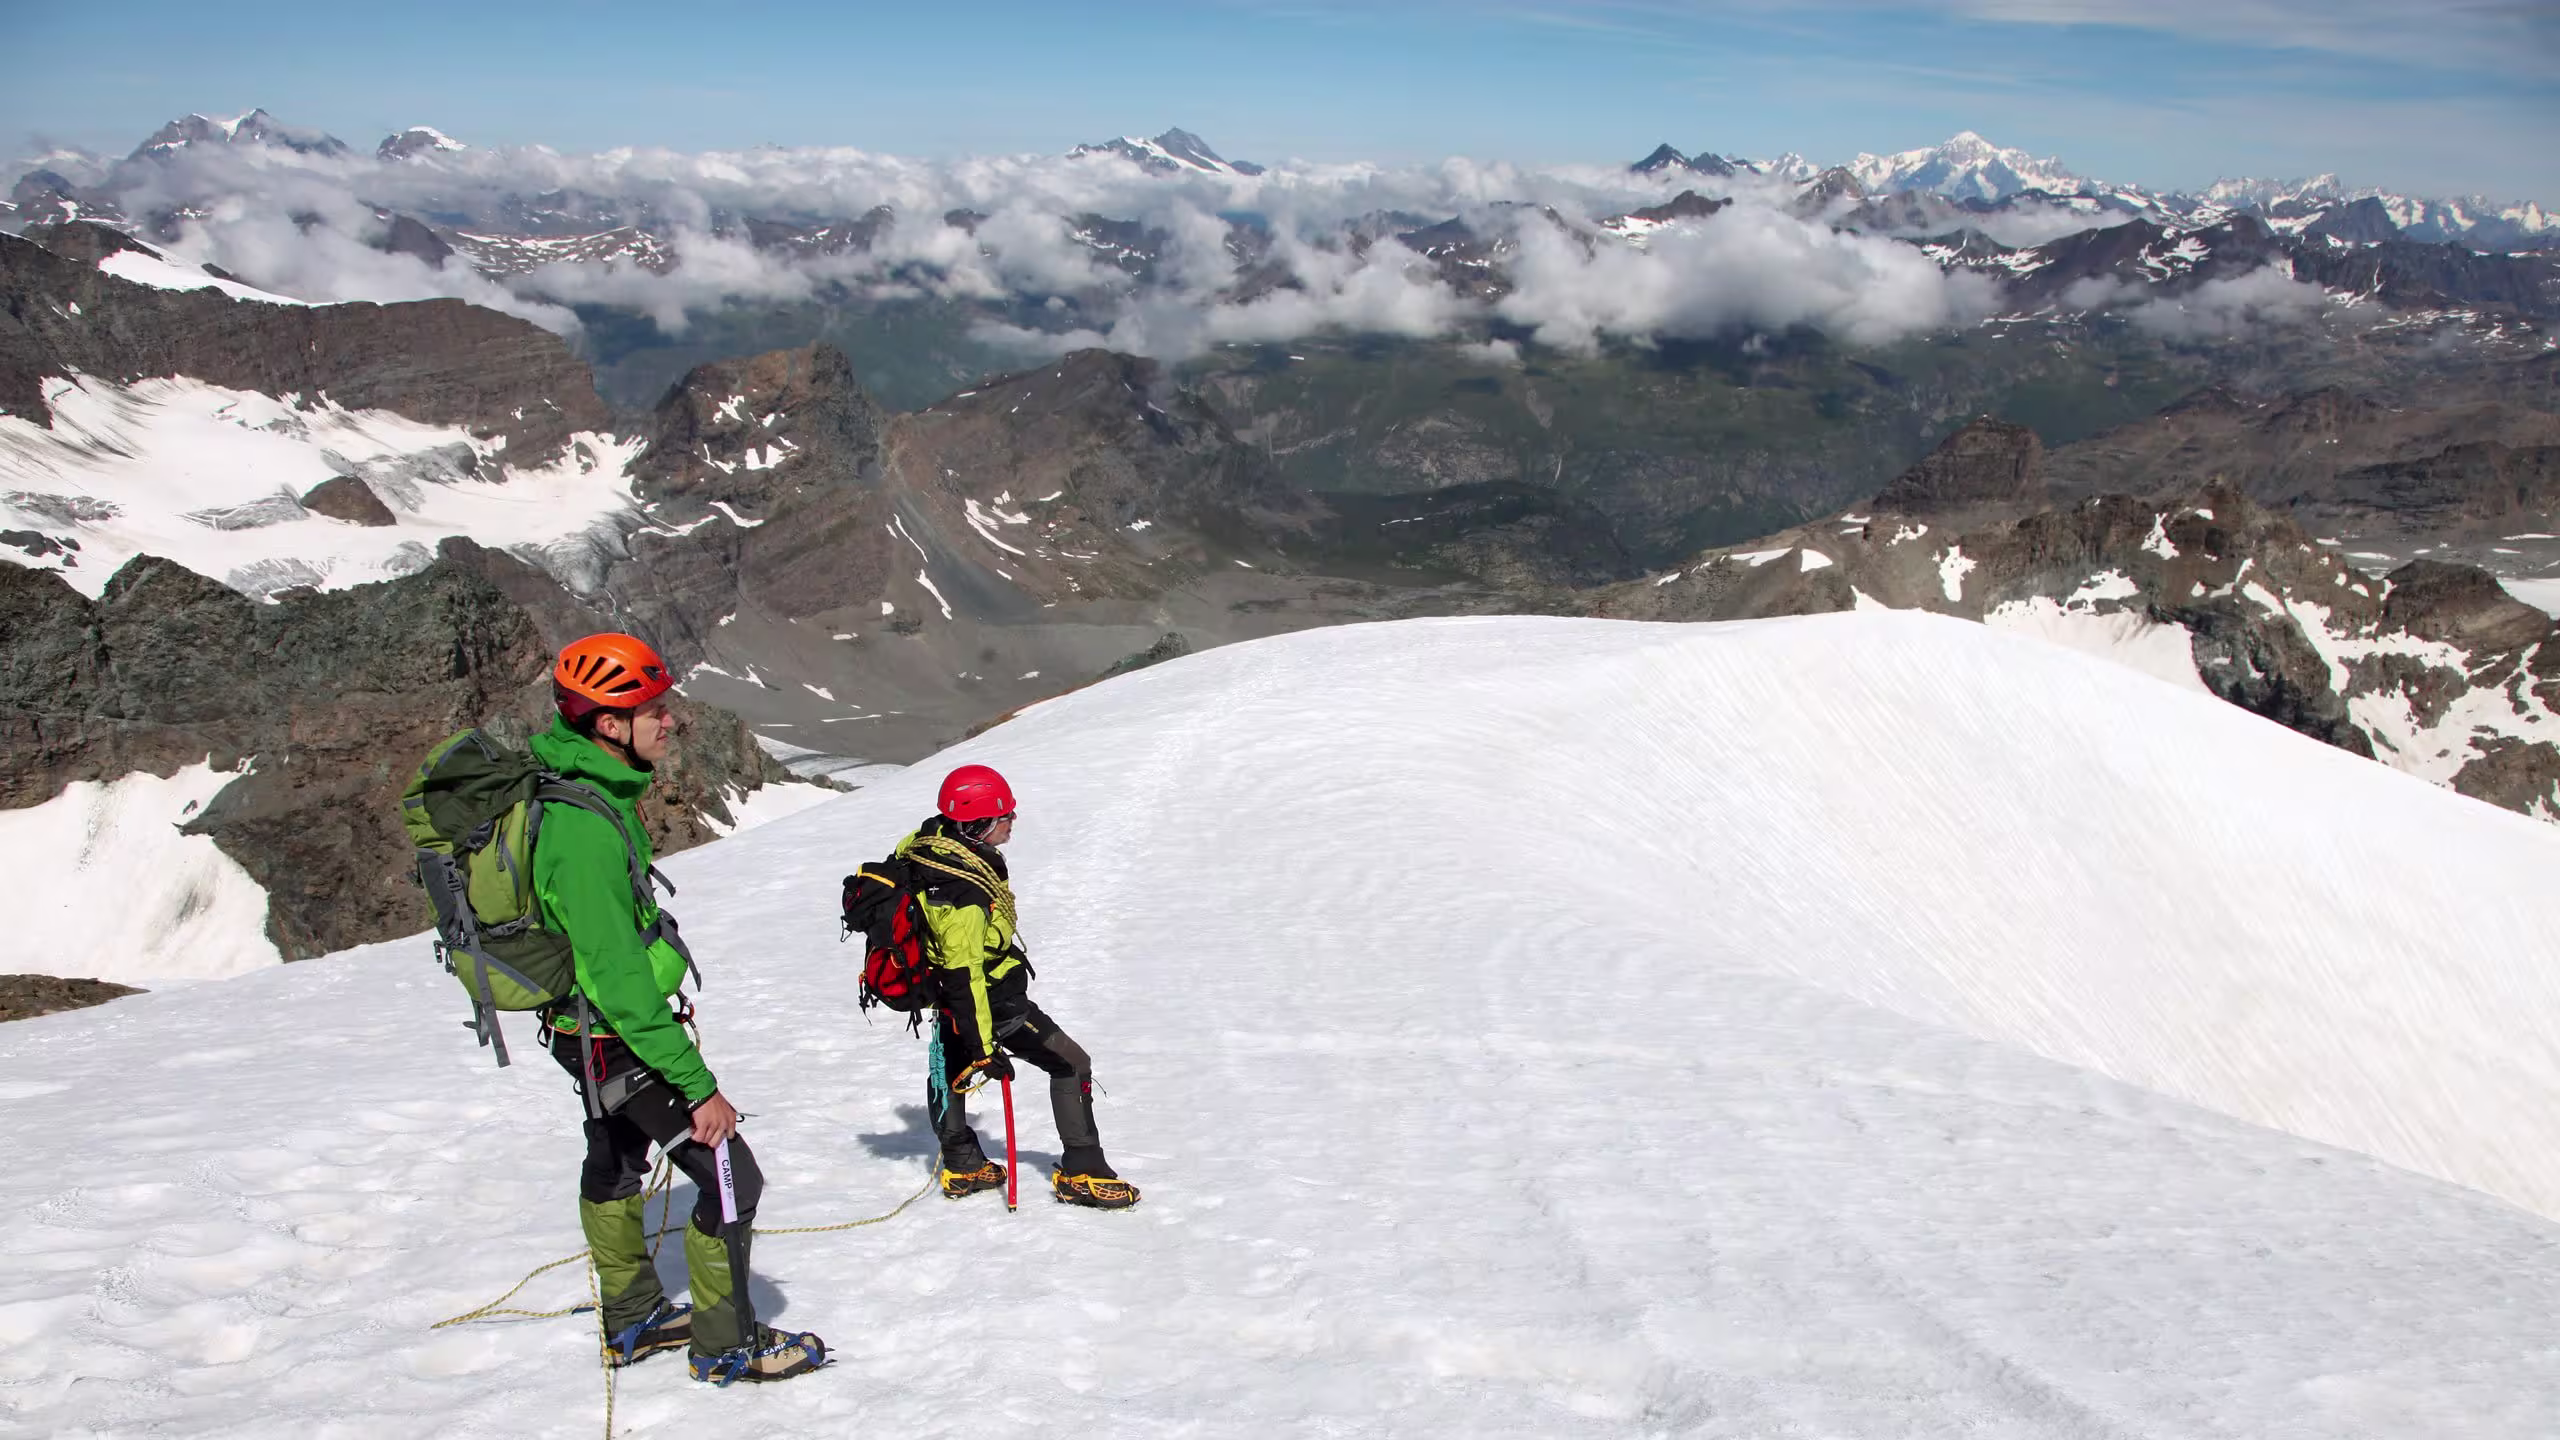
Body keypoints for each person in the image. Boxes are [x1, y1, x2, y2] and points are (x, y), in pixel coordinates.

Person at [534, 632, 827, 1384]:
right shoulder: (584, 828)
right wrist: (698, 1087)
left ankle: (631, 1319)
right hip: (611, 1035)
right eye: (651, 710)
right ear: (607, 725)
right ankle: (725, 1341)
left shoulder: (593, 793)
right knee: (732, 1174)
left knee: (615, 1158)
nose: (671, 721)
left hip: (586, 1032)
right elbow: (619, 981)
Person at [900, 764, 1140, 1210]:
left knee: (950, 1070)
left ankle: (963, 1163)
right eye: (1004, 815)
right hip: (988, 1001)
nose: (1013, 821)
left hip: (946, 997)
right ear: (979, 822)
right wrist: (983, 1047)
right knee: (1070, 1063)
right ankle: (1084, 1172)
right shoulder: (963, 895)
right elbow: (963, 971)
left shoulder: (929, 845)